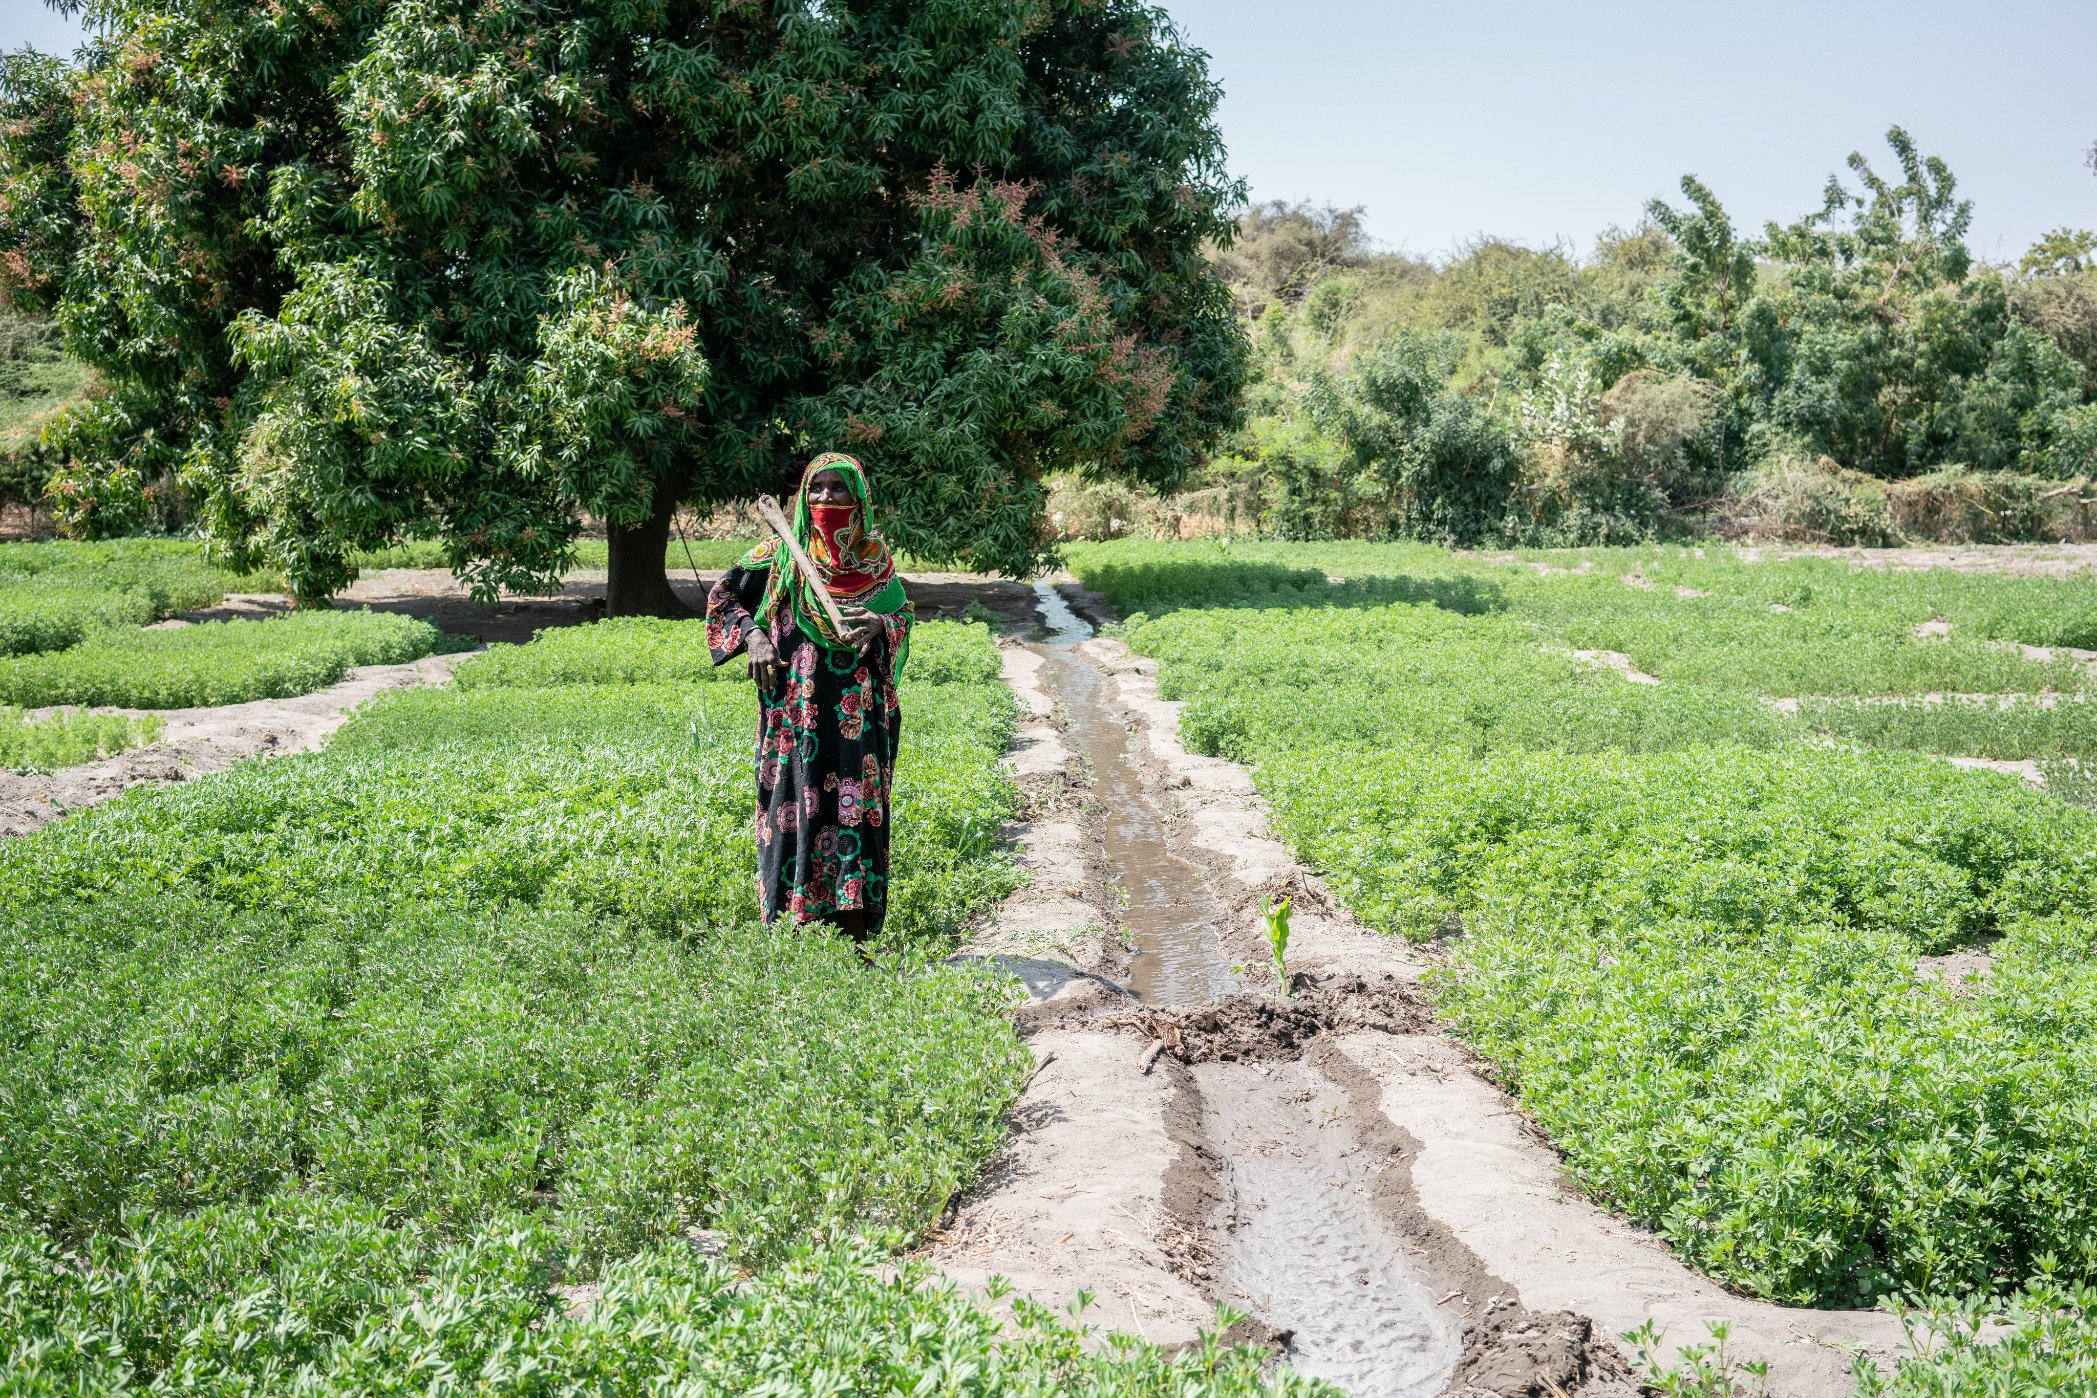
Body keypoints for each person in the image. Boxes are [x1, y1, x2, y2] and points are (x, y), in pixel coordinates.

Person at [706, 452, 914, 947]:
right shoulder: (779, 554)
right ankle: (792, 939)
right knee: (793, 814)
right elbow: (722, 599)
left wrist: (883, 625)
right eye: (815, 488)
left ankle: (856, 941)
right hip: (794, 721)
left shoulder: (874, 563)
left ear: (858, 498)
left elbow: (903, 617)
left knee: (853, 817)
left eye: (837, 489)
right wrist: (754, 637)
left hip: (857, 726)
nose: (825, 498)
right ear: (802, 496)